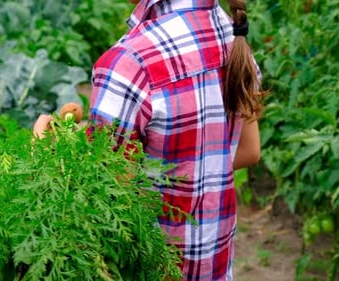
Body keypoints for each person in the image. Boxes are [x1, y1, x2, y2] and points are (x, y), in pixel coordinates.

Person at [33, 0, 264, 280]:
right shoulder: (231, 33)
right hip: (213, 269)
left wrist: (46, 152)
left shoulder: (129, 63)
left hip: (153, 269)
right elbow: (247, 151)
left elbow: (105, 204)